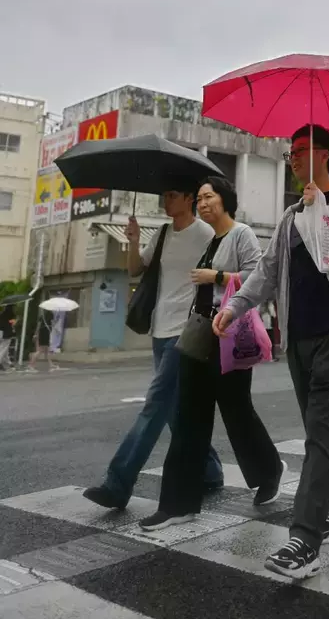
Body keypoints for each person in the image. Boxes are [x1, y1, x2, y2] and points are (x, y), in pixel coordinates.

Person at [213, 125, 329, 581]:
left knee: (319, 433)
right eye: (291, 151)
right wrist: (237, 306)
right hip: (298, 336)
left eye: (300, 151)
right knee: (321, 429)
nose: (293, 158)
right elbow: (266, 271)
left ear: (326, 154)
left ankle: (304, 539)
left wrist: (323, 210)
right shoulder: (288, 215)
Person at [140, 177, 284, 531]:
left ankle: (269, 470)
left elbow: (257, 277)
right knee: (188, 418)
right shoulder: (211, 239)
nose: (203, 203)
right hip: (199, 334)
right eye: (200, 198)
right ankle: (179, 504)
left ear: (225, 200)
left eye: (209, 197)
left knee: (237, 413)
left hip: (229, 334)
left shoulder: (242, 234)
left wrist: (216, 275)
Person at [83, 185, 223, 511]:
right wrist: (132, 240)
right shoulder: (161, 233)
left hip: (186, 331)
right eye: (166, 194)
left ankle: (118, 484)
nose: (166, 199)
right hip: (159, 330)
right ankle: (211, 469)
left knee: (155, 404)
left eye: (173, 194)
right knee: (175, 412)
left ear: (190, 198)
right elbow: (135, 269)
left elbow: (221, 278)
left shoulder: (206, 233)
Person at [0, 305, 16, 371]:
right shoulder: (10, 315)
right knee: (3, 349)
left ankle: (9, 363)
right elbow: (12, 323)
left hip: (0, 332)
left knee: (5, 349)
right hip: (6, 333)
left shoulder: (1, 314)